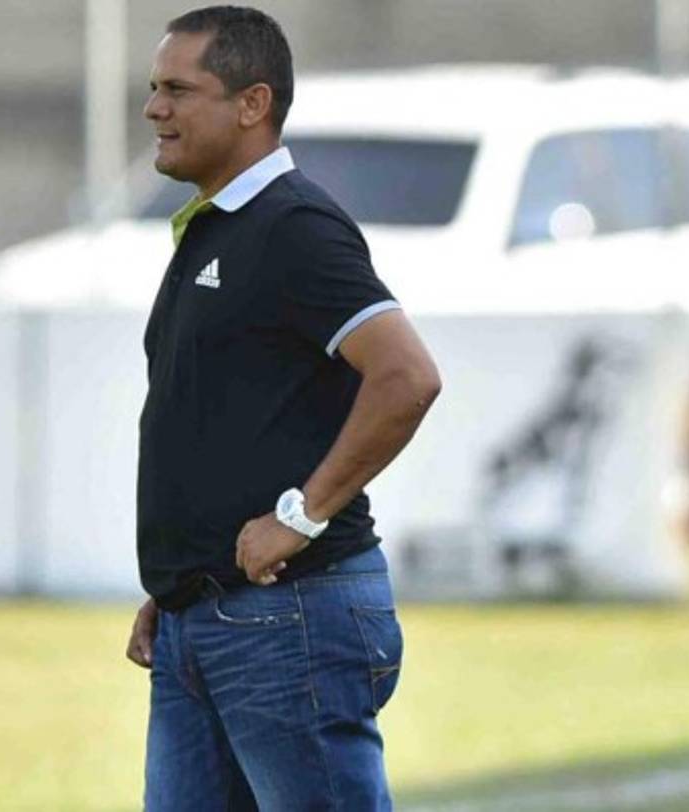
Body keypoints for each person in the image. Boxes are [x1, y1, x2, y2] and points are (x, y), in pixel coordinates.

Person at [124, 6, 442, 810]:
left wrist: (301, 517)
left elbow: (406, 376)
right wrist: (179, 586)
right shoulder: (215, 229)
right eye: (153, 88)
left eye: (177, 90)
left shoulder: (293, 226)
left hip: (288, 618)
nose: (154, 108)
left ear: (252, 103)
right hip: (209, 620)